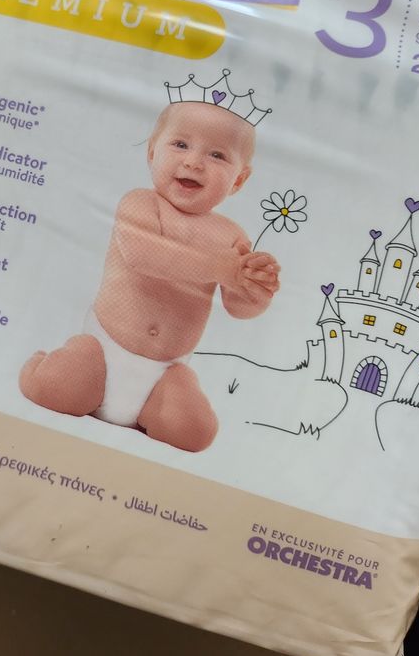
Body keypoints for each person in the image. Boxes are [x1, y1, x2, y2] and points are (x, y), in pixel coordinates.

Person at [20, 98, 280, 451]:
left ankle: (152, 414)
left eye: (217, 155)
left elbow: (237, 307)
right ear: (152, 152)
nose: (194, 162)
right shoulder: (141, 203)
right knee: (53, 388)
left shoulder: (232, 236)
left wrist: (253, 290)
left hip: (165, 372)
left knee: (196, 434)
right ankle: (38, 366)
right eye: (181, 144)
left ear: (239, 180)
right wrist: (222, 268)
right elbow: (144, 256)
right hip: (103, 353)